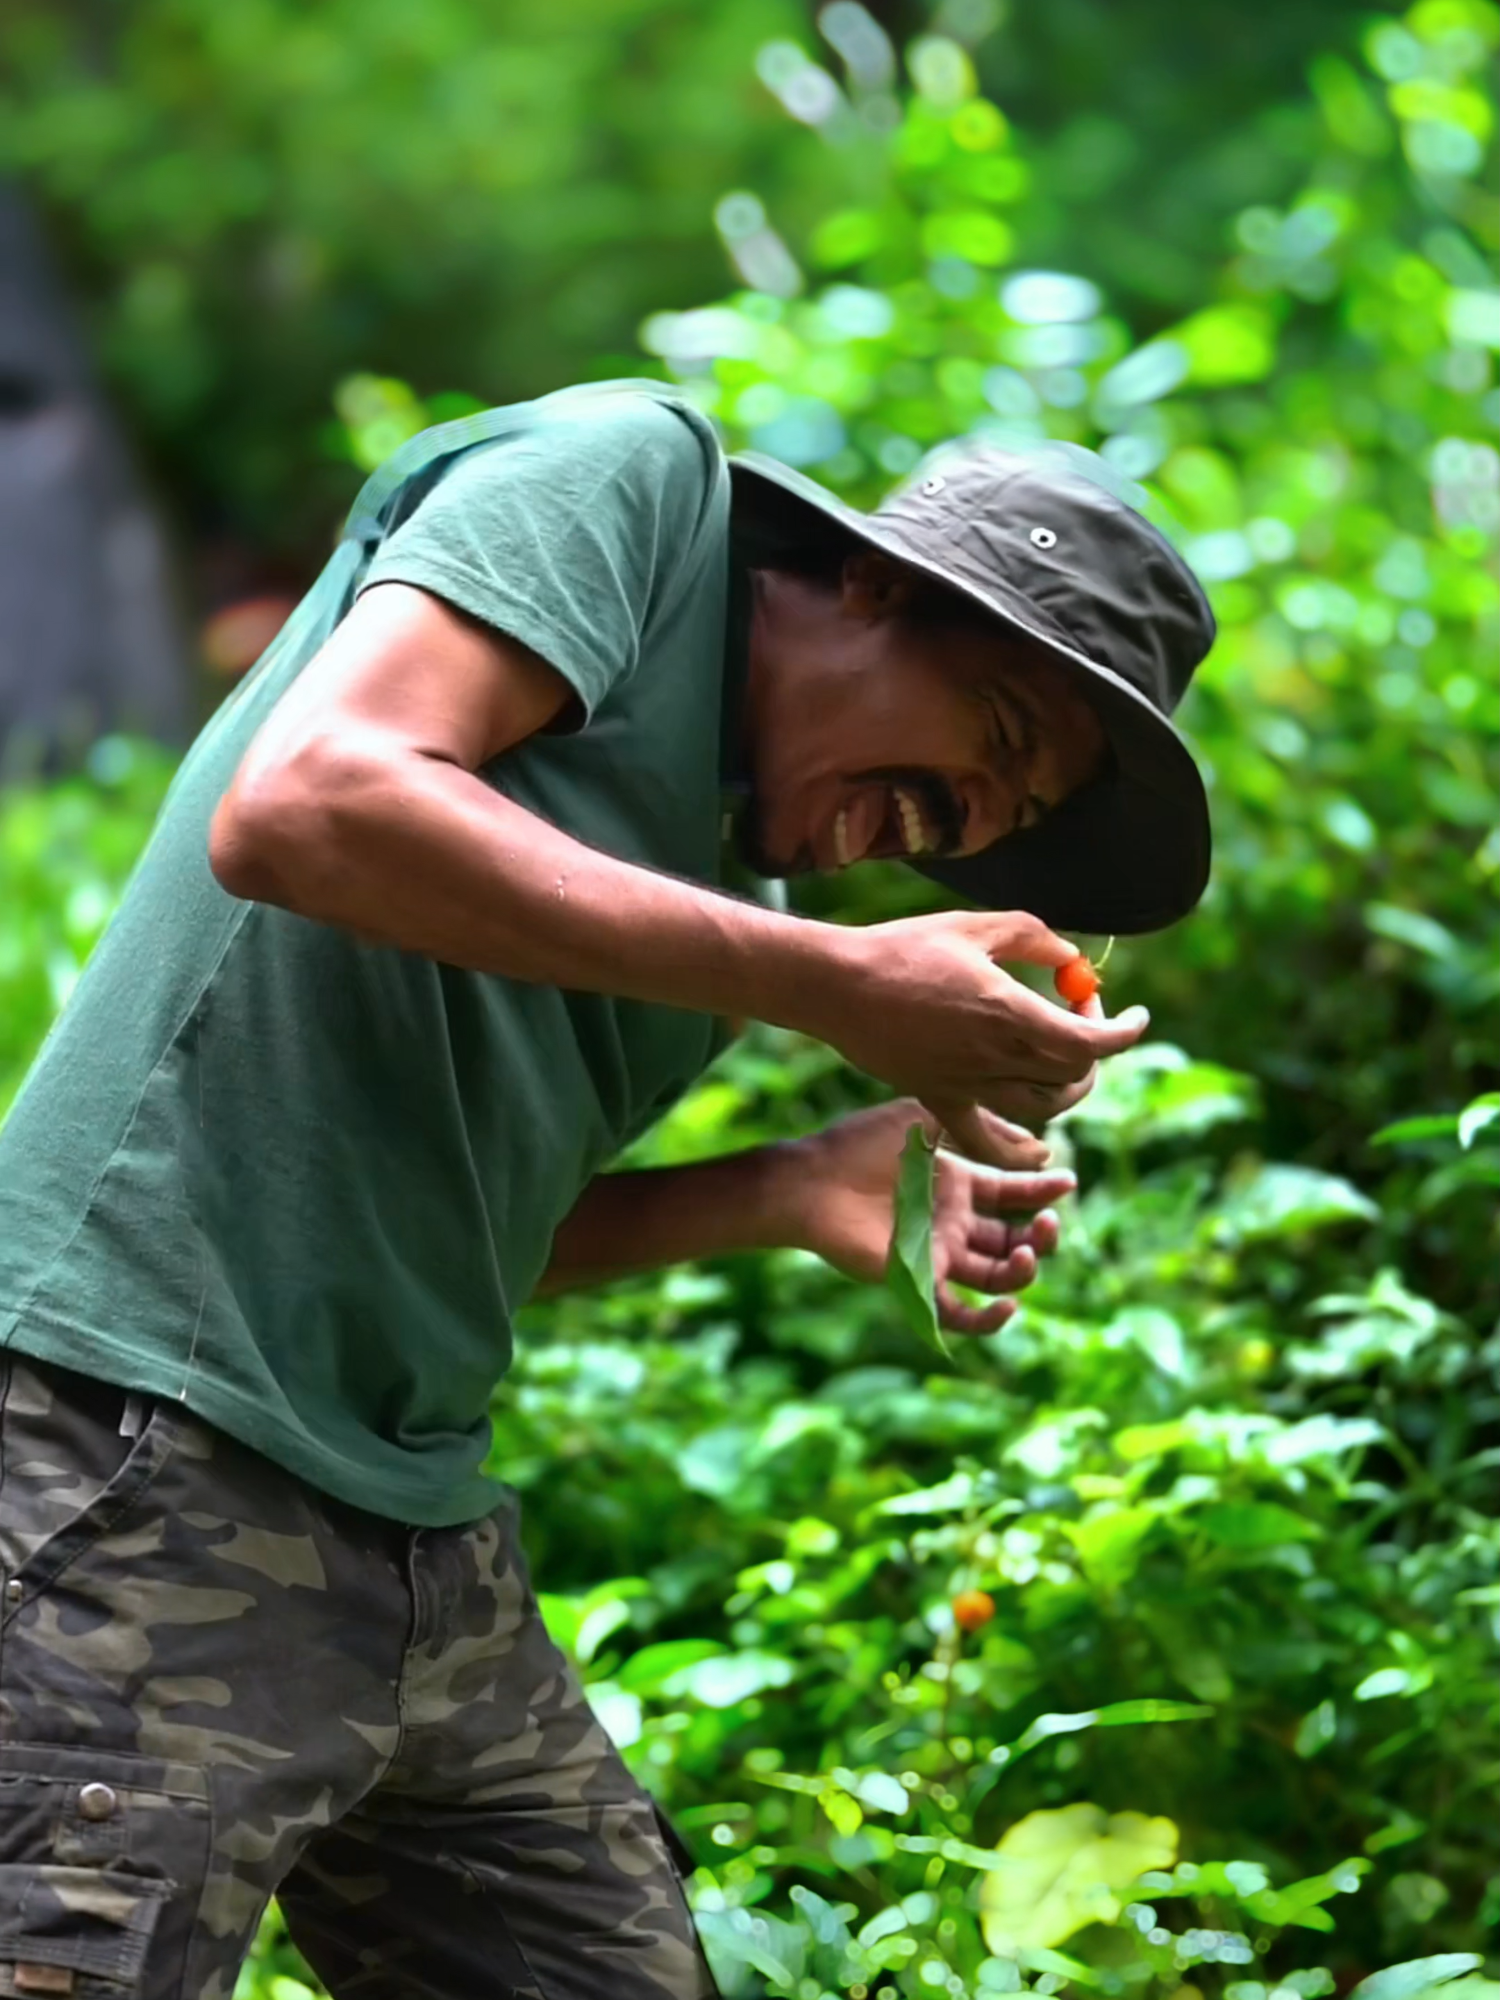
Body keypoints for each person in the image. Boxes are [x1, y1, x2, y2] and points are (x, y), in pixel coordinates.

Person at [0, 381, 1214, 1999]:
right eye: (992, 739)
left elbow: (450, 1219)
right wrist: (835, 985)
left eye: (1011, 816)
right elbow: (309, 800)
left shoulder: (728, 903)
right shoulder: (631, 488)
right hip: (127, 1438)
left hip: (413, 1538)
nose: (963, 825)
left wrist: (792, 1185)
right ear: (874, 583)